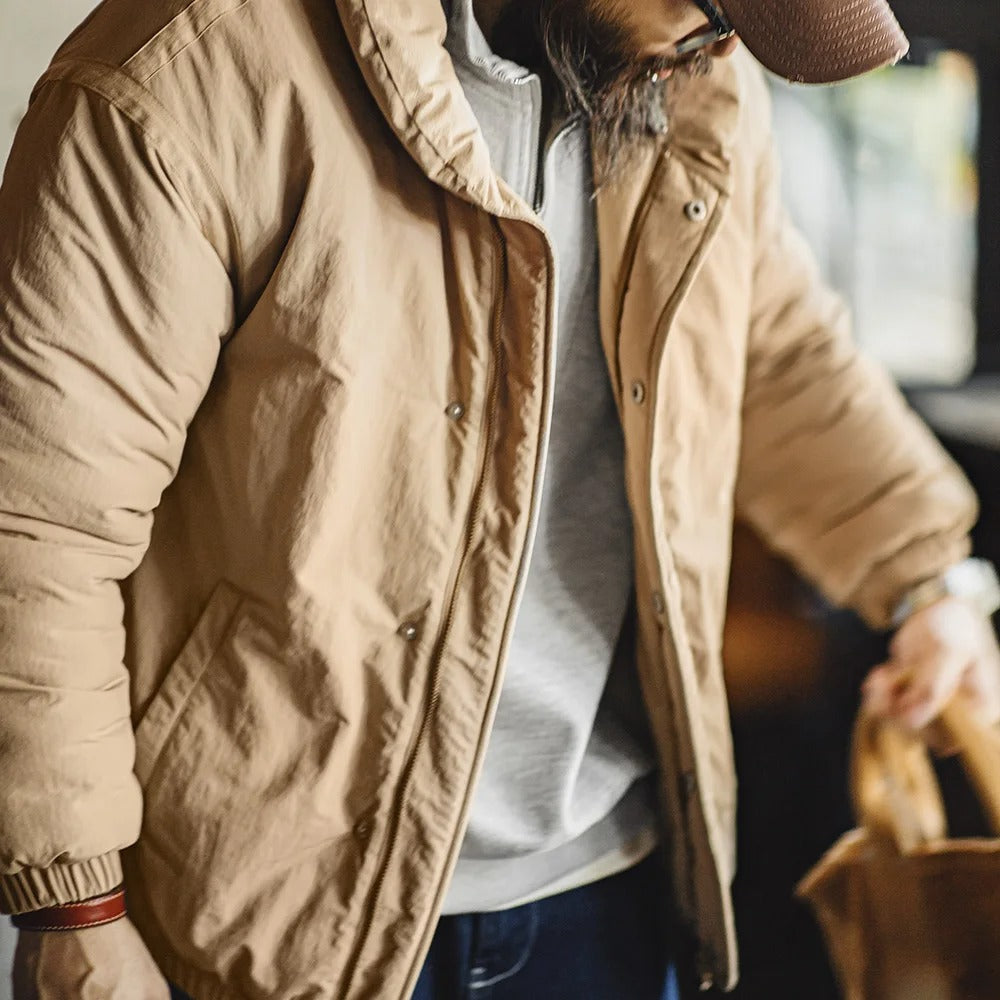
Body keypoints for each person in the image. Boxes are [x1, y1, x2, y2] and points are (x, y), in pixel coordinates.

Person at [2, 0, 999, 997]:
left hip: (615, 892)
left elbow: (771, 349)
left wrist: (929, 578)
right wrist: (75, 907)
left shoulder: (689, 75)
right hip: (278, 923)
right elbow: (38, 523)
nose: (724, 42)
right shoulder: (194, 69)